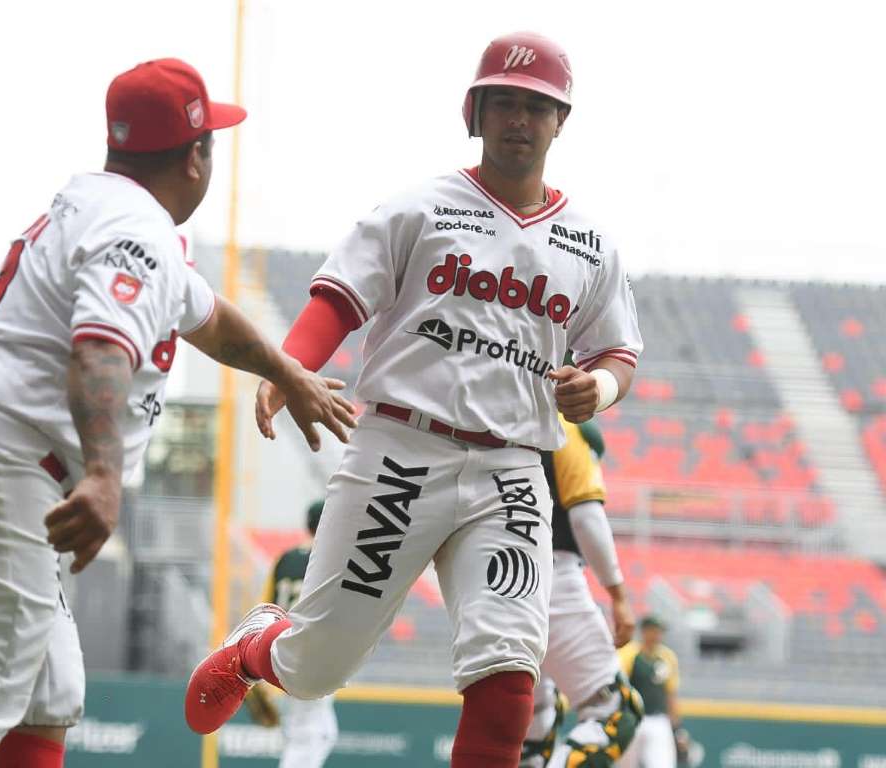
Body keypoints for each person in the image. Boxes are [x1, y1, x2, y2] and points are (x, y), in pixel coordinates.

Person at [0, 57, 354, 768]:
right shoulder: (137, 228)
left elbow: (210, 320)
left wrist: (287, 372)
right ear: (196, 155)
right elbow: (100, 348)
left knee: (48, 693)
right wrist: (104, 475)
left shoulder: (110, 214)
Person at [185, 31, 643, 767]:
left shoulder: (590, 244)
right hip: (402, 449)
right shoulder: (420, 209)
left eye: (536, 106)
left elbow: (618, 352)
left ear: (561, 122)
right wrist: (290, 369)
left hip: (513, 469)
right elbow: (340, 296)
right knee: (316, 666)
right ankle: (257, 646)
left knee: (510, 674)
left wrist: (605, 387)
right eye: (503, 103)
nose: (519, 120)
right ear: (475, 112)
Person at [521, 415, 643, 768]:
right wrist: (618, 595)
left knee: (530, 714)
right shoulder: (563, 424)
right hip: (551, 574)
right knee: (615, 714)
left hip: (493, 576)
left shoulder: (498, 407)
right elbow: (586, 516)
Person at [246, 500, 340, 768]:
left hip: (282, 653)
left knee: (322, 732)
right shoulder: (330, 559)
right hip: (316, 655)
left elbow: (267, 610)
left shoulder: (285, 560)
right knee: (306, 736)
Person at [616, 617, 685, 768]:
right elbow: (619, 688)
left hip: (658, 719)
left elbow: (671, 694)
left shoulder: (667, 656)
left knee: (662, 764)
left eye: (660, 632)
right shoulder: (629, 653)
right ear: (644, 631)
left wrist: (678, 729)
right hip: (632, 719)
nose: (657, 635)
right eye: (654, 631)